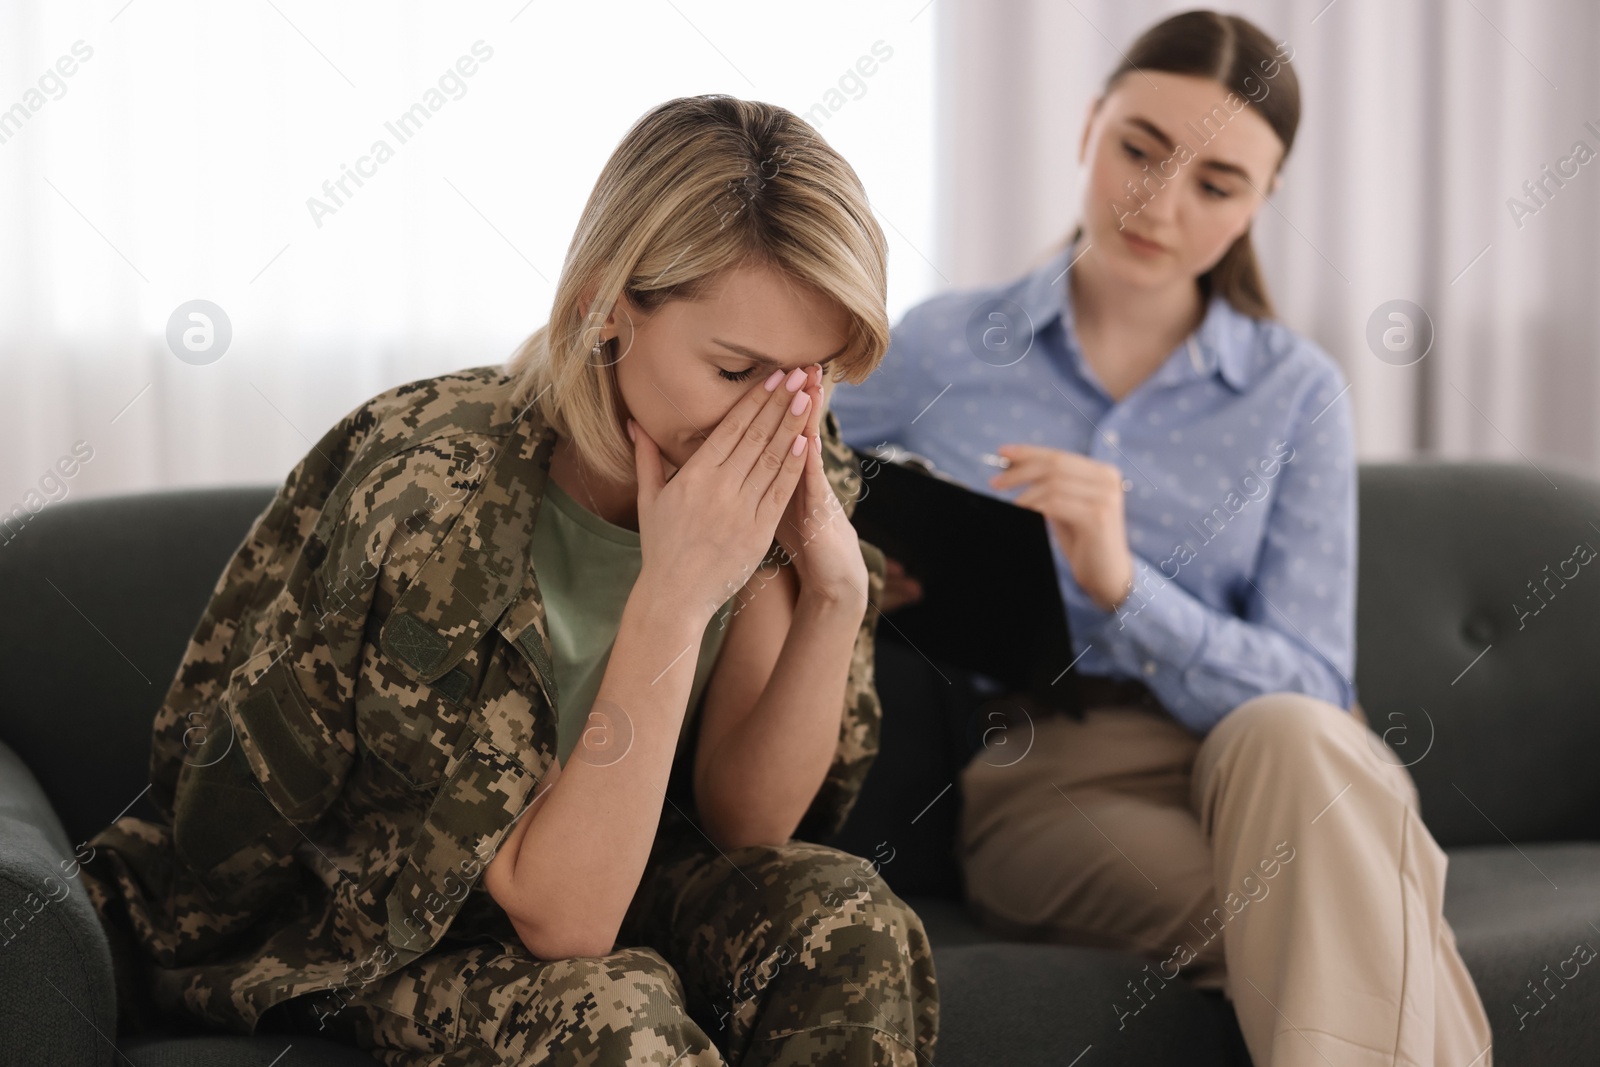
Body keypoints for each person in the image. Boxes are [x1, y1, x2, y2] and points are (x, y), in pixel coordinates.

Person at [79, 94, 938, 1067]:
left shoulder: (784, 450)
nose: (779, 421)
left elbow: (747, 825)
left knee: (845, 917)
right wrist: (672, 596)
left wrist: (833, 596)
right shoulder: (431, 493)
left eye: (814, 374)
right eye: (737, 369)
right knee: (611, 1013)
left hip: (622, 879)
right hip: (385, 921)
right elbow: (562, 919)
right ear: (606, 310)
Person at [827, 10, 1491, 1066]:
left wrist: (1126, 584)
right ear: (1088, 124)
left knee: (1295, 738)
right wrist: (850, 567)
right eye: (1138, 148)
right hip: (1058, 773)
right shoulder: (944, 342)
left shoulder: (1294, 390)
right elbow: (798, 477)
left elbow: (1314, 681)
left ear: (1260, 204)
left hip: (1286, 757)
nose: (1157, 202)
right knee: (1357, 926)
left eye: (1216, 183)